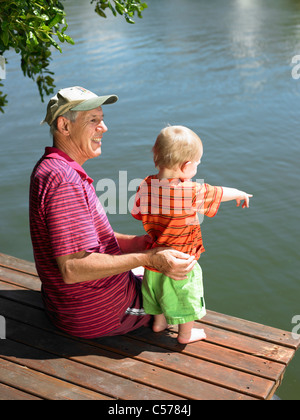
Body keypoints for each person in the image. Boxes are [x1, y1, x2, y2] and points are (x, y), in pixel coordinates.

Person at [29, 87, 196, 339]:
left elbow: (91, 240)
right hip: (100, 313)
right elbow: (73, 267)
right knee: (183, 285)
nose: (103, 127)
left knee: (158, 268)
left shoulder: (54, 168)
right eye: (93, 120)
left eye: (102, 119)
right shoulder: (65, 181)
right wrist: (148, 258)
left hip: (72, 305)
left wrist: (139, 244)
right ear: (64, 126)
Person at [131, 125, 253, 344]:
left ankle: (159, 323)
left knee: (157, 289)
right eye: (197, 162)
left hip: (156, 256)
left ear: (156, 156)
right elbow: (220, 192)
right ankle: (185, 334)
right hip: (182, 259)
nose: (197, 166)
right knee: (186, 294)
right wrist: (240, 193)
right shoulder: (190, 191)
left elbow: (138, 213)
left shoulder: (146, 184)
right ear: (186, 167)